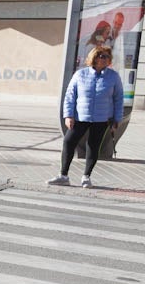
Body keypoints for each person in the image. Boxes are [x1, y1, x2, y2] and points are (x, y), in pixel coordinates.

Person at [50, 45, 125, 188]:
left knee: (93, 146)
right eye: (102, 56)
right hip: (80, 117)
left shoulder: (113, 77)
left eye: (107, 57)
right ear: (94, 57)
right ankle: (63, 176)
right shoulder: (80, 74)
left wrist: (117, 119)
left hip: (102, 118)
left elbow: (118, 98)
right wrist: (68, 115)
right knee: (68, 141)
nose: (105, 59)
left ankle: (86, 177)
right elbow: (70, 96)